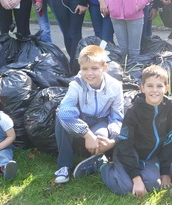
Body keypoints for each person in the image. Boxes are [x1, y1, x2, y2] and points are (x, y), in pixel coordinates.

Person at [101, 65, 172, 196]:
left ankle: (139, 172)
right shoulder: (133, 111)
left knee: (153, 184)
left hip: (150, 156)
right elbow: (125, 144)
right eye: (150, 86)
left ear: (166, 88)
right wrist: (136, 177)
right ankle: (103, 165)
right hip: (128, 153)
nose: (154, 90)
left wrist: (165, 171)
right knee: (125, 188)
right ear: (142, 87)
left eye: (159, 86)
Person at [53, 45, 124, 184]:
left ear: (104, 68)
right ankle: (64, 165)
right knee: (60, 120)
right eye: (84, 69)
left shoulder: (115, 86)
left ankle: (96, 159)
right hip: (80, 118)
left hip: (101, 120)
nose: (89, 73)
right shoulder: (77, 84)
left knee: (101, 135)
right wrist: (87, 134)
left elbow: (117, 116)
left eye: (94, 68)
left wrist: (113, 137)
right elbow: (64, 110)